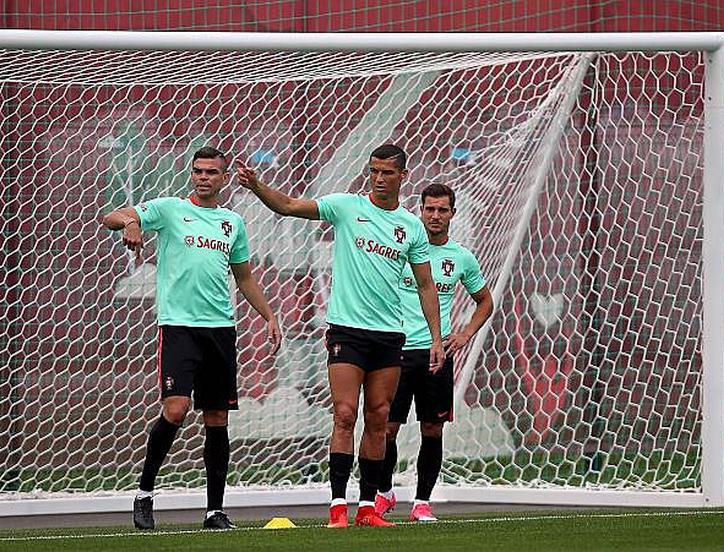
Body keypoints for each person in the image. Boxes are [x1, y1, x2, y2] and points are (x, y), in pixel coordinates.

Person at [236, 144, 443, 528]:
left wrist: (435, 337)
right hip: (347, 331)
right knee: (345, 414)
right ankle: (336, 508)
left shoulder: (410, 227)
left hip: (389, 335)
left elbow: (426, 285)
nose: (378, 178)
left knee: (378, 418)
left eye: (386, 172)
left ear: (403, 176)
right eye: (374, 170)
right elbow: (290, 207)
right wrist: (258, 186)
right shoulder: (347, 207)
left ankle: (367, 507)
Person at [102, 146, 282, 531]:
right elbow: (111, 216)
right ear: (191, 174)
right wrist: (131, 223)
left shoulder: (232, 222)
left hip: (221, 329)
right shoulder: (169, 209)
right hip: (180, 327)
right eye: (198, 171)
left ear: (223, 177)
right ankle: (145, 494)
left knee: (217, 418)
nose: (204, 177)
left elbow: (245, 277)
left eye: (211, 172)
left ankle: (214, 511)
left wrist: (268, 315)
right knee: (176, 409)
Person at [374, 183, 493, 522]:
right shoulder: (402, 251)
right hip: (395, 350)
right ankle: (384, 492)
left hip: (435, 354)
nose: (435, 215)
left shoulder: (460, 258)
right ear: (420, 211)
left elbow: (485, 300)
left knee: (432, 429)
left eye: (442, 210)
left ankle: (422, 502)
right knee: (385, 429)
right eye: (430, 209)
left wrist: (466, 333)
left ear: (453, 213)